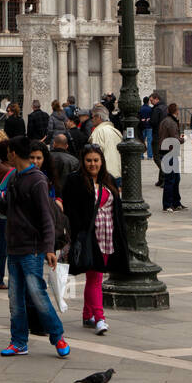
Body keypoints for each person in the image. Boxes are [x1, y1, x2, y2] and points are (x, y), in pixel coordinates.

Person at [0, 136, 69, 358]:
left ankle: (57, 335)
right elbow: (8, 206)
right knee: (15, 297)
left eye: (8, 153)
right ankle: (19, 341)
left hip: (32, 247)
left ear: (13, 153)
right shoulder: (14, 177)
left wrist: (49, 248)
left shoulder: (37, 180)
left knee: (36, 293)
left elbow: (46, 217)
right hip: (14, 245)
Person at [62, 143, 129, 334]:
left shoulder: (109, 180)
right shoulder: (75, 180)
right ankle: (100, 318)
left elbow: (116, 209)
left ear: (102, 162)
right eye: (89, 160)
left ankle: (87, 314)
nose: (93, 164)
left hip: (107, 234)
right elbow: (70, 209)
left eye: (96, 160)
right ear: (83, 162)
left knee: (96, 277)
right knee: (95, 278)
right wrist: (76, 233)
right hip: (88, 234)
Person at [157, 102, 185, 211]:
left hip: (166, 152)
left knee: (175, 178)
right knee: (171, 179)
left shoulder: (165, 121)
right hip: (169, 153)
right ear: (176, 111)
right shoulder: (171, 122)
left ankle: (176, 202)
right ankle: (168, 204)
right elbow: (174, 139)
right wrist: (183, 139)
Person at [89, 104, 122, 188]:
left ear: (98, 117)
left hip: (105, 174)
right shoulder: (116, 131)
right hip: (117, 173)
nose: (91, 120)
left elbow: (95, 155)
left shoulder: (98, 132)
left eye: (92, 117)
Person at [139, 95, 153, 160]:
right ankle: (149, 156)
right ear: (148, 102)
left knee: (142, 141)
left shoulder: (140, 108)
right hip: (149, 126)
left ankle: (141, 156)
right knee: (149, 141)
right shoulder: (150, 109)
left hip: (142, 126)